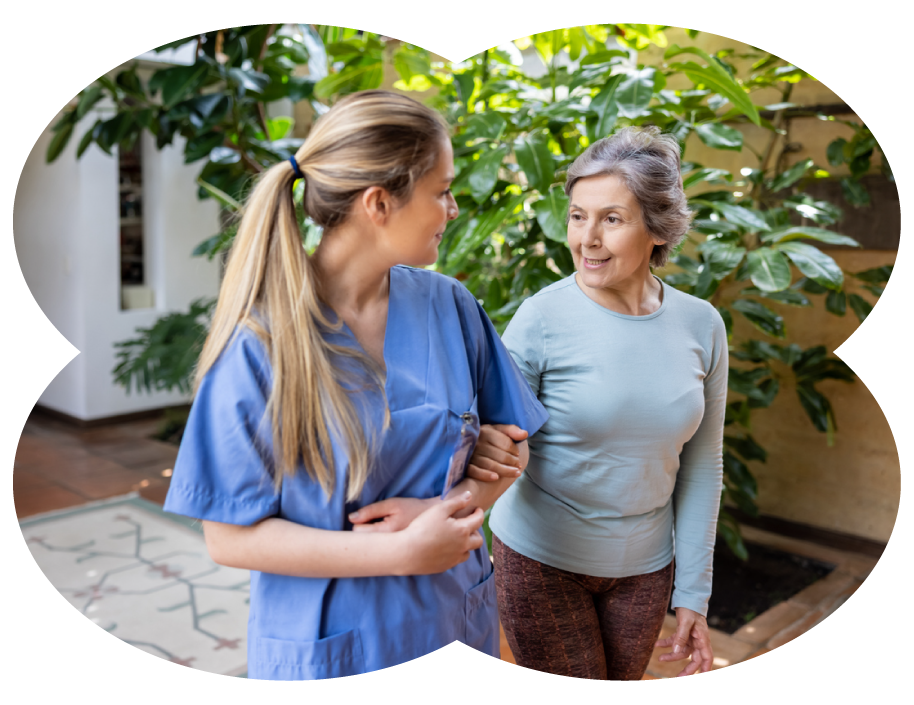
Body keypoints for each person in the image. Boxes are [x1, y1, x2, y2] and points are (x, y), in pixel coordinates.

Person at [162, 89, 548, 705]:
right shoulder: (261, 344)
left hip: (451, 627)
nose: (452, 209)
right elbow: (228, 536)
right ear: (379, 203)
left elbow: (514, 447)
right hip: (330, 652)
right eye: (441, 191)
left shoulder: (450, 306)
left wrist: (454, 504)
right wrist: (398, 551)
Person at [481, 125, 727, 703]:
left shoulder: (701, 325)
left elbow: (702, 464)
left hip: (646, 568)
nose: (586, 239)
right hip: (542, 560)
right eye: (576, 216)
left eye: (611, 219)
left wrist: (692, 593)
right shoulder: (540, 320)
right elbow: (495, 443)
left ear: (657, 229)